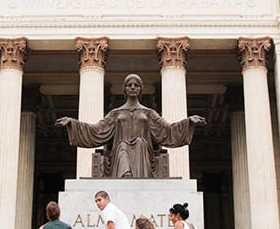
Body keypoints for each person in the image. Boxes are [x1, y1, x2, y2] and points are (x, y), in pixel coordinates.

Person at [55, 74, 206, 178]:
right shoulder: (116, 113)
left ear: (140, 89)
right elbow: (96, 130)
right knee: (122, 145)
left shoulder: (148, 113)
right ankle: (125, 175)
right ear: (125, 89)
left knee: (140, 142)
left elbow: (168, 131)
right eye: (129, 85)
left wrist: (189, 122)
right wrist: (72, 123)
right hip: (119, 153)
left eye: (136, 85)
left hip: (143, 154)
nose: (132, 87)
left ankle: (134, 178)